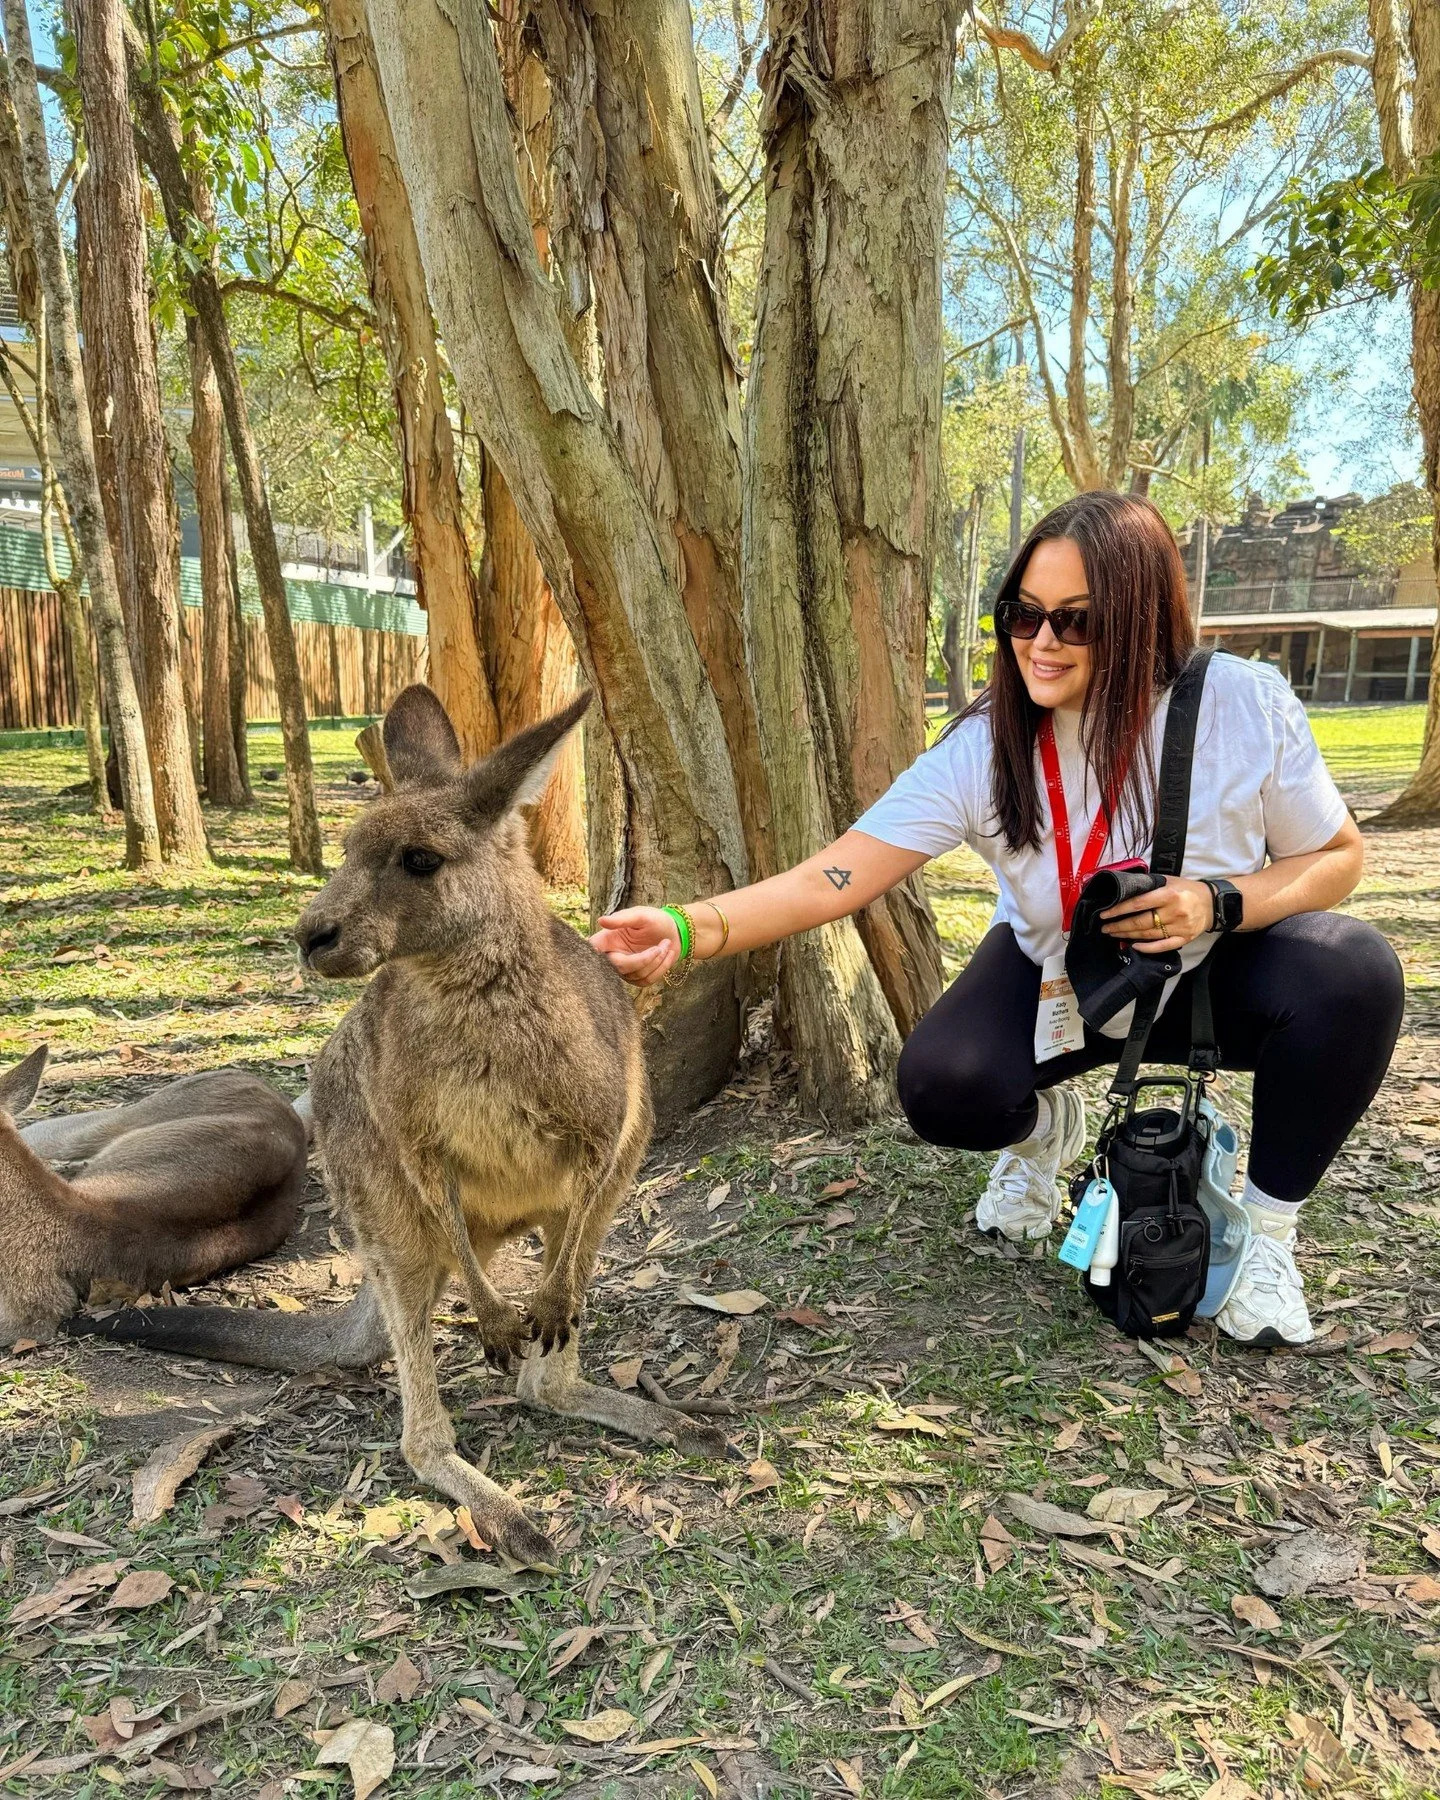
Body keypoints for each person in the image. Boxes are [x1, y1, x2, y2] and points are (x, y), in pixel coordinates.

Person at [589, 492, 1405, 1348]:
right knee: (945, 1087)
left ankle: (1270, 1237)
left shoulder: (1243, 704)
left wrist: (1219, 900)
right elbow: (838, 874)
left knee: (1354, 972)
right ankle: (1046, 1132)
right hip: (1063, 975)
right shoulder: (985, 744)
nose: (1041, 643)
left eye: (1075, 622)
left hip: (1215, 968)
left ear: (1139, 620)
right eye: (1022, 613)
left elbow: (1337, 857)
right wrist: (688, 929)